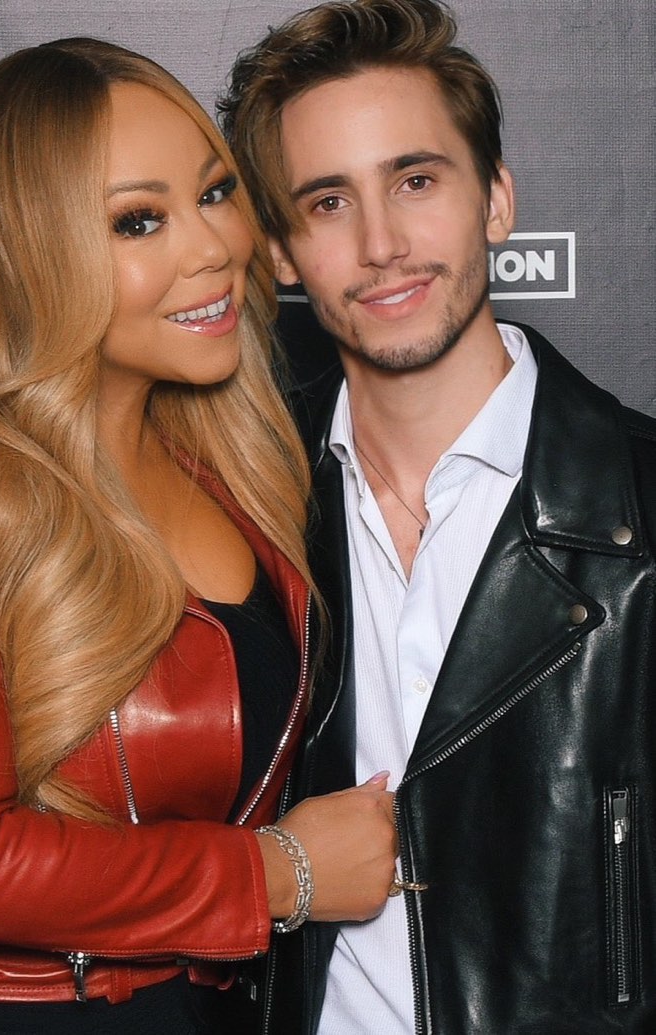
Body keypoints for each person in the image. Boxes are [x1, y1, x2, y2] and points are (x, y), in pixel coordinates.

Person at [0, 36, 397, 1034]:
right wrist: (279, 874)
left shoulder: (242, 456)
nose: (211, 248)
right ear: (24, 252)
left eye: (215, 193)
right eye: (138, 220)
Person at [218, 0, 656, 1031]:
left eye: (416, 181)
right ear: (280, 252)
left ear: (496, 200)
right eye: (328, 202)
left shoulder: (640, 506)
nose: (381, 244)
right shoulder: (234, 504)